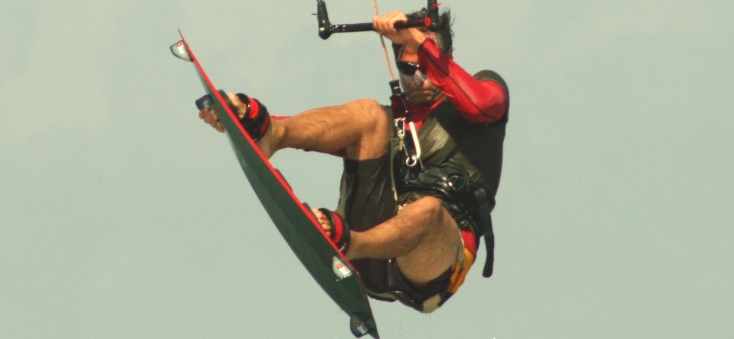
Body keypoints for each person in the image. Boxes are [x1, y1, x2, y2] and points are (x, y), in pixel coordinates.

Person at [195, 9, 508, 313]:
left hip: (428, 266)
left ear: (446, 59)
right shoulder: (395, 121)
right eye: (408, 69)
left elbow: (479, 103)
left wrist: (415, 37)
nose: (418, 78)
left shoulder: (486, 94)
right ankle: (270, 135)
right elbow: (326, 132)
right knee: (368, 114)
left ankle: (350, 243)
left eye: (426, 66)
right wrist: (239, 119)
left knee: (428, 210)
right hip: (372, 250)